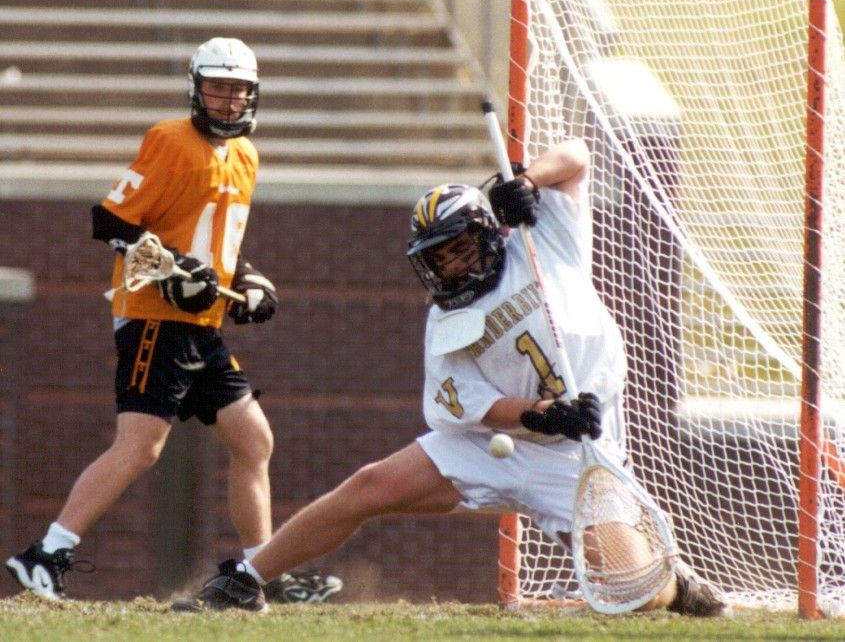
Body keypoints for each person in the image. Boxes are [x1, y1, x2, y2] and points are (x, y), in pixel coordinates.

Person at [171, 139, 725, 615]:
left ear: (487, 233)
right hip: (498, 442)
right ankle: (245, 580)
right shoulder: (446, 320)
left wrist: (527, 181)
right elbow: (471, 407)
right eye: (439, 259)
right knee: (370, 486)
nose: (453, 267)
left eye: (460, 249)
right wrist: (539, 413)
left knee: (637, 592)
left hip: (577, 452)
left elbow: (578, 155)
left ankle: (677, 586)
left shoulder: (542, 239)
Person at [5, 37, 341, 606]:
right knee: (140, 448)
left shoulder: (246, 155)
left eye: (238, 90)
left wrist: (248, 280)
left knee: (253, 439)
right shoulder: (170, 140)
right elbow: (110, 221)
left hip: (201, 327)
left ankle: (259, 574)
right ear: (195, 89)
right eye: (217, 88)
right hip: (153, 320)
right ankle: (46, 554)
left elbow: (214, 243)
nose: (228, 100)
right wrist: (170, 269)